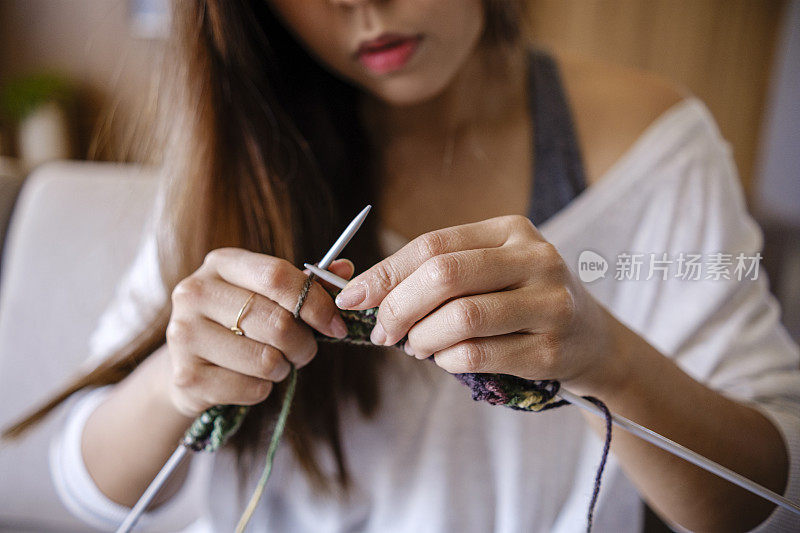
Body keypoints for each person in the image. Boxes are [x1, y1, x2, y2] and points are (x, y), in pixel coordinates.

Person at [5, 1, 799, 531]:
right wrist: (179, 382)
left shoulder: (654, 150)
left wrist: (610, 360)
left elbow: (774, 498)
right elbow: (89, 486)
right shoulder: (241, 154)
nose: (366, 5)